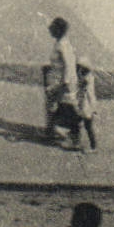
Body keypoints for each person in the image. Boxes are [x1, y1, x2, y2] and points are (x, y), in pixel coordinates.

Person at [45, 17, 92, 151]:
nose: (50, 30)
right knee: (60, 108)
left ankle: (75, 140)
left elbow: (69, 65)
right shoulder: (60, 43)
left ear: (58, 30)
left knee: (69, 110)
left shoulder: (63, 45)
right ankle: (57, 132)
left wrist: (64, 83)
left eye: (53, 28)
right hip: (60, 82)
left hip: (64, 83)